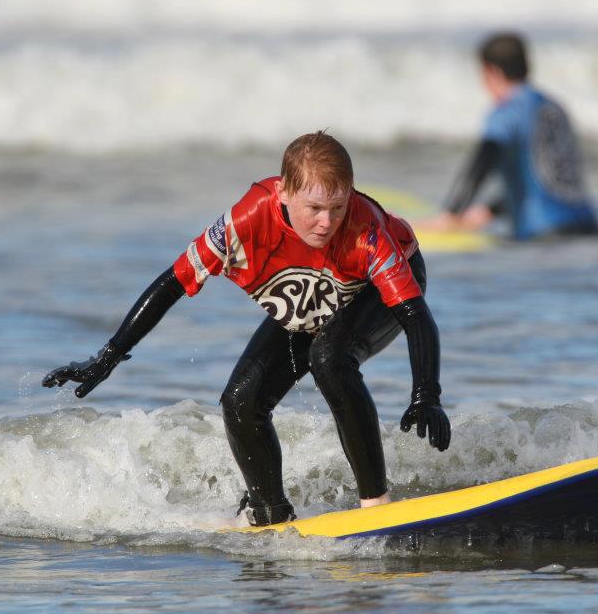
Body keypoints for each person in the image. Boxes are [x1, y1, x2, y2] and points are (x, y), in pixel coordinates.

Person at [42, 131, 451, 526]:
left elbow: (416, 316)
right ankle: (269, 513)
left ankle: (376, 505)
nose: (327, 222)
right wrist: (108, 357)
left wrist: (425, 396)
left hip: (370, 288)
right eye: (314, 209)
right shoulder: (247, 221)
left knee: (330, 359)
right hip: (311, 283)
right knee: (240, 401)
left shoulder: (367, 231)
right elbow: (172, 283)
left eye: (338, 208)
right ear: (285, 195)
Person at [422, 32, 598, 240]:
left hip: (546, 236)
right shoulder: (552, 107)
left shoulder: (509, 109)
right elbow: (549, 180)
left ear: (493, 72)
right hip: (590, 227)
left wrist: (452, 214)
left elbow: (485, 157)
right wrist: (490, 211)